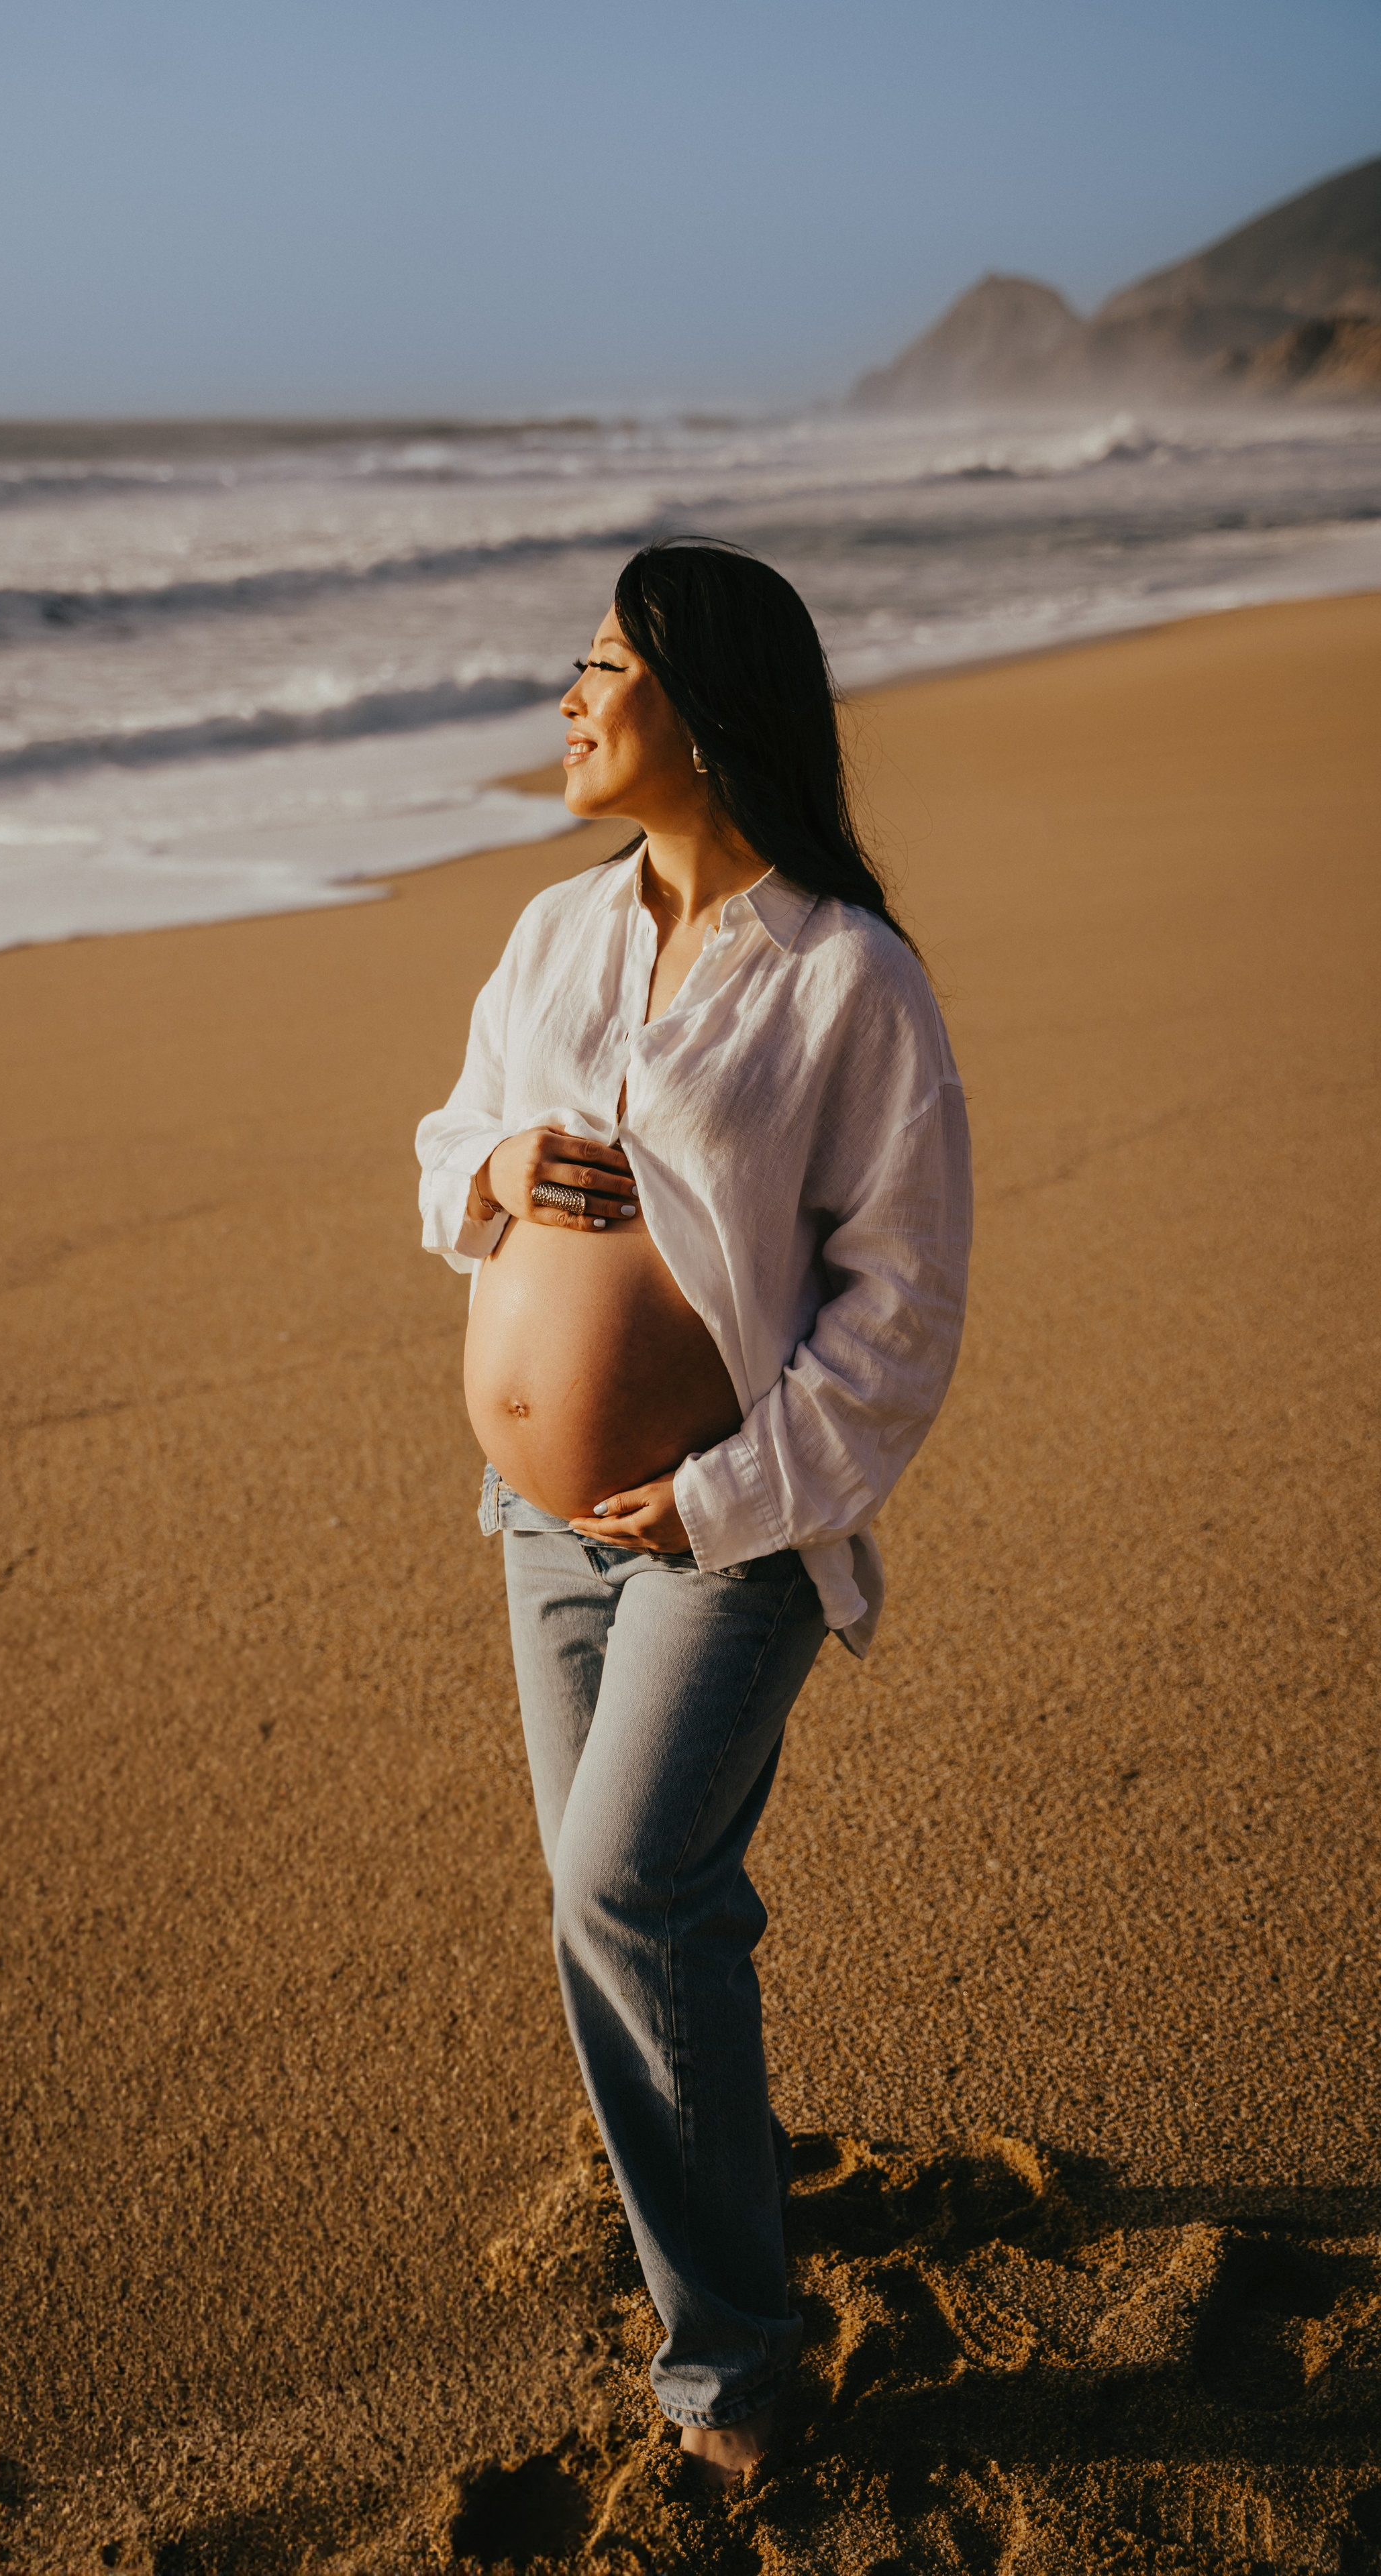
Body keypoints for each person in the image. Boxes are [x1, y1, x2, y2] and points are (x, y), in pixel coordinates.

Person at [415, 541, 972, 2489]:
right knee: (651, 1911)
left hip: (727, 1528)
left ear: (706, 704)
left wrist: (731, 1491)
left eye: (600, 668)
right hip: (534, 1525)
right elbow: (437, 1150)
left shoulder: (846, 980)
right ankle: (711, 2214)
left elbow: (903, 1313)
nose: (567, 703)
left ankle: (732, 2360)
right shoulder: (557, 935)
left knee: (619, 1890)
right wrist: (495, 1156)